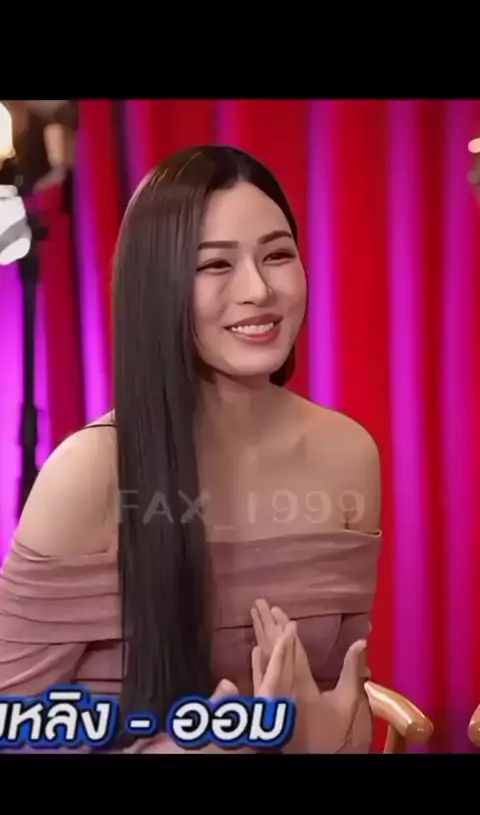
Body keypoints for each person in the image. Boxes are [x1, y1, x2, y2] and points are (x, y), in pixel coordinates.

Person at [0, 145, 381, 753]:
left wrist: (322, 737)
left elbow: (345, 708)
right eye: (215, 265)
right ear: (159, 287)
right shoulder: (91, 472)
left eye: (277, 255)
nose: (259, 289)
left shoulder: (347, 455)